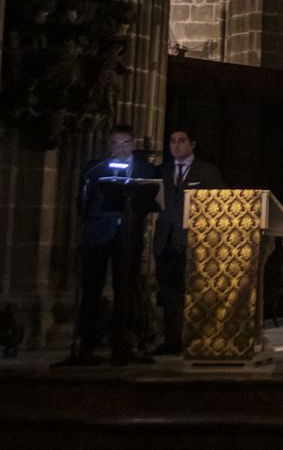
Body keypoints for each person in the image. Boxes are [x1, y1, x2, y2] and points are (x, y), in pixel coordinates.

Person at [61, 125, 145, 366]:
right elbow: (83, 202)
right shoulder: (94, 168)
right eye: (116, 144)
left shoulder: (144, 169)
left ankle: (122, 345)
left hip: (128, 235)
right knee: (91, 290)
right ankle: (86, 345)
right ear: (109, 146)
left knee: (126, 290)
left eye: (125, 143)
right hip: (98, 235)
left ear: (133, 143)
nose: (121, 148)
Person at [153, 128, 224, 355]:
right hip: (166, 239)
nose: (176, 145)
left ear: (192, 144)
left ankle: (197, 340)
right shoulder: (162, 171)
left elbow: (219, 204)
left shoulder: (207, 171)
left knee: (194, 293)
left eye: (181, 141)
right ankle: (171, 341)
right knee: (169, 294)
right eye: (172, 141)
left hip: (194, 241)